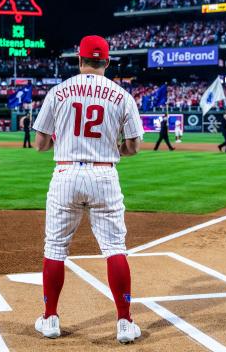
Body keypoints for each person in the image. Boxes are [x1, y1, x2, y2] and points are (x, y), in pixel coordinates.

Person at [32, 35, 143, 344]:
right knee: (114, 249)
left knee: (55, 248)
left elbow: (40, 144)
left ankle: (50, 319)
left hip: (66, 172)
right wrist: (115, 147)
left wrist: (65, 139)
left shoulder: (58, 92)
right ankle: (124, 323)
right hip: (104, 175)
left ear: (79, 61)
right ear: (106, 62)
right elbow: (133, 146)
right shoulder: (122, 96)